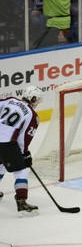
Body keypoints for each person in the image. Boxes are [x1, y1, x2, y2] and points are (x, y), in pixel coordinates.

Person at [0, 86, 43, 217]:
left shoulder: (10, 100)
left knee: (1, 165)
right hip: (7, 144)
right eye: (37, 100)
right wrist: (25, 154)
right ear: (33, 98)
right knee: (21, 170)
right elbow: (23, 138)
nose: (36, 104)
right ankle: (22, 202)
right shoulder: (32, 115)